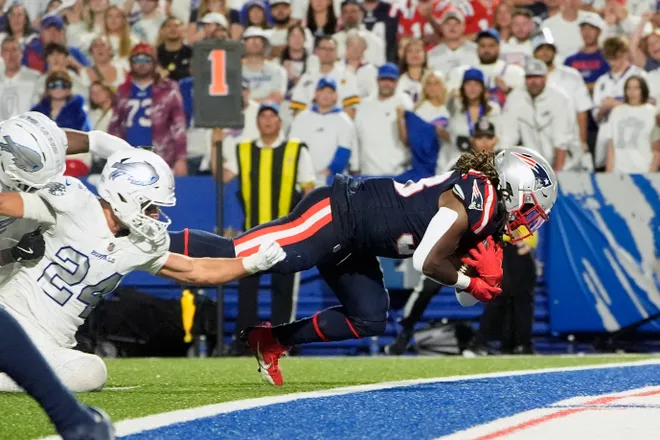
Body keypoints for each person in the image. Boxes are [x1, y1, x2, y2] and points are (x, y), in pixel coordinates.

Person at [173, 145, 558, 386]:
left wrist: (477, 284)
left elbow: (460, 294)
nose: (527, 221)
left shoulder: (487, 217)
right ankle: (152, 241)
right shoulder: (480, 198)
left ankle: (271, 340)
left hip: (358, 241)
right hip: (340, 213)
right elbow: (427, 260)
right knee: (246, 254)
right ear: (512, 186)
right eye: (530, 209)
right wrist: (468, 282)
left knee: (369, 317)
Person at [0, 134, 286, 393]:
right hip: (9, 317)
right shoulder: (73, 202)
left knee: (91, 372)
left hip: (50, 342)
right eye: (150, 206)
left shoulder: (140, 243)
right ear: (126, 194)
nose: (155, 215)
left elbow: (195, 270)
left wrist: (250, 264)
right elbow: (4, 203)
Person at [387, 118, 498, 355]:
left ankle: (481, 340)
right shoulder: (458, 161)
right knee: (428, 282)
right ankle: (405, 333)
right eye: (480, 137)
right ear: (472, 140)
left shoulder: (502, 168)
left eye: (489, 137)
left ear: (495, 139)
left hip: (480, 239)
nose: (485, 142)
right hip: (453, 230)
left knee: (492, 282)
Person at [222, 102, 315, 353]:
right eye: (262, 116)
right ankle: (245, 342)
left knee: (283, 291)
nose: (267, 121)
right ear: (257, 122)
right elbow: (222, 176)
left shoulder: (295, 150)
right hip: (253, 233)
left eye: (272, 116)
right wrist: (215, 143)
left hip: (286, 234)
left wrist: (304, 228)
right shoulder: (243, 150)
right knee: (246, 290)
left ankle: (282, 342)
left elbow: (309, 189)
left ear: (279, 122)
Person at [108, 43, 188, 176]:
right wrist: (111, 155)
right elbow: (114, 126)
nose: (142, 64)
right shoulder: (122, 91)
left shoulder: (168, 90)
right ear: (130, 63)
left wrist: (181, 158)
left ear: (155, 63)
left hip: (161, 158)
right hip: (127, 160)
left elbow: (178, 125)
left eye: (147, 59)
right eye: (137, 60)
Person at [502, 59, 577, 171]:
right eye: (530, 77)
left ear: (545, 78)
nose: (533, 81)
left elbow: (561, 140)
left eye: (537, 77)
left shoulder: (559, 99)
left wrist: (557, 174)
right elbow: (508, 137)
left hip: (566, 165)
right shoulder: (515, 99)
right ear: (525, 79)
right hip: (531, 167)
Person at [592, 36, 648, 169]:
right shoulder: (602, 81)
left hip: (635, 133)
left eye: (617, 56)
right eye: (610, 57)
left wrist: (616, 105)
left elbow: (647, 108)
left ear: (625, 53)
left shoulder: (639, 75)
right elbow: (596, 116)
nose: (613, 61)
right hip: (607, 133)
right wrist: (603, 109)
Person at [290, 78, 358, 185]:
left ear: (336, 96)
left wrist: (330, 172)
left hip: (332, 180)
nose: (325, 95)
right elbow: (293, 146)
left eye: (330, 92)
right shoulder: (301, 118)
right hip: (303, 179)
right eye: (322, 91)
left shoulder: (344, 120)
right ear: (316, 93)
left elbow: (344, 149)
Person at [355, 63, 413, 176]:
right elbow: (356, 137)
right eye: (383, 79)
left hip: (397, 173)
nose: (387, 84)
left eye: (391, 80)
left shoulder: (404, 103)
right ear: (377, 80)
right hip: (367, 173)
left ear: (397, 82)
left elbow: (409, 138)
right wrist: (355, 165)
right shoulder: (364, 105)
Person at [442, 68, 502, 173]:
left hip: (486, 160)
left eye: (476, 84)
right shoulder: (455, 107)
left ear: (483, 88)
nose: (472, 88)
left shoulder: (493, 109)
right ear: (462, 87)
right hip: (458, 160)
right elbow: (446, 101)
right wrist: (453, 94)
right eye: (468, 84)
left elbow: (498, 136)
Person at [604, 76, 660, 173]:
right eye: (628, 88)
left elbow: (657, 148)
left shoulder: (653, 113)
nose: (632, 92)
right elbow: (611, 145)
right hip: (618, 172)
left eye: (636, 88)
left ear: (643, 90)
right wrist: (609, 171)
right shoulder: (616, 112)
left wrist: (652, 171)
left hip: (644, 170)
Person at [564, 12, 609, 94]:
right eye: (584, 28)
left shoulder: (607, 58)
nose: (587, 32)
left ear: (599, 31)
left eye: (591, 28)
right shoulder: (569, 60)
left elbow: (607, 85)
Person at [242, 26, 288, 104]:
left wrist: (248, 104)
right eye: (250, 38)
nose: (254, 41)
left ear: (265, 45)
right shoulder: (234, 72)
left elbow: (276, 98)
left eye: (258, 39)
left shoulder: (278, 71)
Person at [333, 0, 385, 67]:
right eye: (345, 12)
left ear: (361, 14)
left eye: (353, 11)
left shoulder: (375, 40)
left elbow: (380, 67)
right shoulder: (334, 40)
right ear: (341, 16)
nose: (350, 15)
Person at [426, 10, 478, 78]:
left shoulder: (476, 51)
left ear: (463, 27)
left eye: (456, 23)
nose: (452, 27)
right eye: (448, 23)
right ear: (442, 27)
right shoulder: (431, 55)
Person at [0, 37, 41, 120]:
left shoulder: (35, 78)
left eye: (14, 50)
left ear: (21, 53)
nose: (11, 54)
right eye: (6, 50)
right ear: (1, 54)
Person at [157, 16, 192, 81]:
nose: (173, 29)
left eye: (177, 26)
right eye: (169, 26)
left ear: (183, 30)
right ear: (162, 31)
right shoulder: (155, 53)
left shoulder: (191, 52)